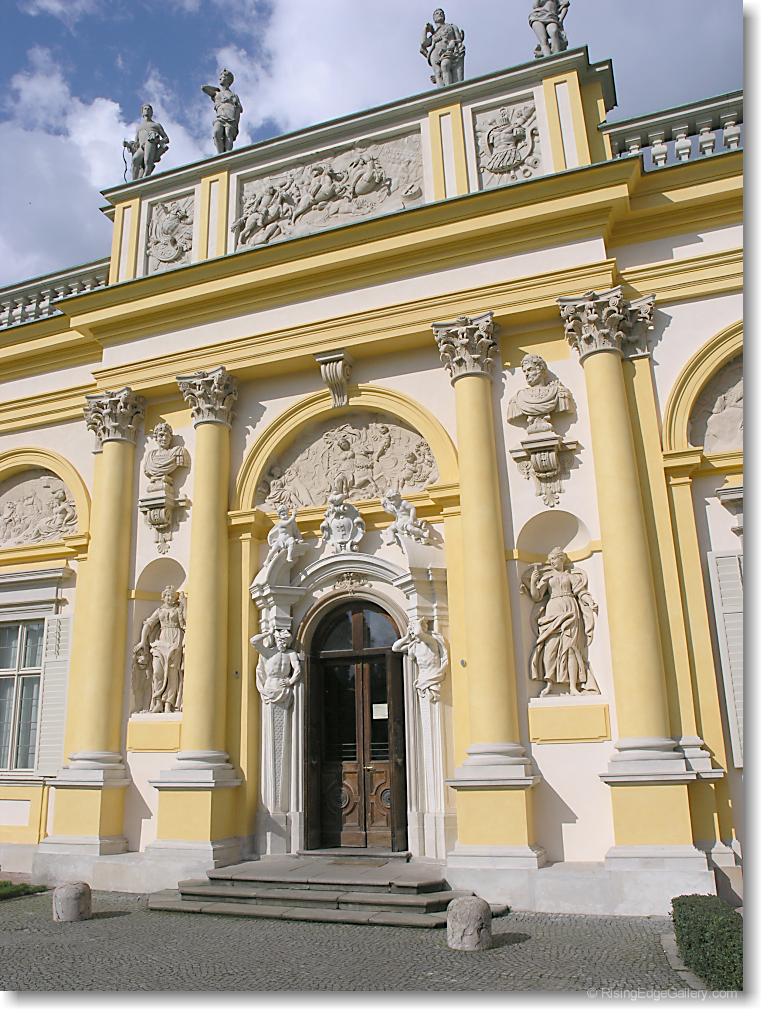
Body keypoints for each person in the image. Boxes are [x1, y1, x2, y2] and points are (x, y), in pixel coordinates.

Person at [521, 548, 599, 697]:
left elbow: (581, 592)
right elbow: (537, 597)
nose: (551, 562)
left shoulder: (571, 577)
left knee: (571, 649)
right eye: (550, 559)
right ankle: (549, 684)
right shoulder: (547, 577)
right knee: (550, 648)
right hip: (553, 611)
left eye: (554, 559)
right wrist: (533, 582)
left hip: (570, 610)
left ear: (561, 559)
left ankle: (573, 686)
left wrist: (590, 602)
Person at [134, 586, 186, 713]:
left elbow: (186, 623)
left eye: (172, 596)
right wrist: (142, 641)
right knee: (158, 671)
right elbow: (148, 624)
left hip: (175, 638)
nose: (169, 598)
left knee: (172, 672)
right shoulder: (159, 611)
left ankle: (168, 703)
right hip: (161, 641)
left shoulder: (178, 610)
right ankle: (157, 701)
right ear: (163, 597)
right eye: (167, 595)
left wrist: (184, 604)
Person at [392, 618, 448, 702]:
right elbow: (395, 648)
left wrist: (417, 622)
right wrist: (407, 637)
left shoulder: (431, 642)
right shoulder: (414, 646)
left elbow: (419, 633)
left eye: (413, 630)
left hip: (433, 677)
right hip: (422, 679)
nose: (413, 634)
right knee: (424, 706)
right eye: (411, 632)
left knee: (435, 705)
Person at [420, 9, 465, 88]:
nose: (439, 14)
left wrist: (453, 42)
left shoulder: (451, 27)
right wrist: (425, 29)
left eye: (441, 13)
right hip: (434, 53)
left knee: (445, 65)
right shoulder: (434, 35)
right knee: (438, 73)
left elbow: (459, 40)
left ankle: (448, 89)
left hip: (447, 51)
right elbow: (423, 43)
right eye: (437, 13)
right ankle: (441, 90)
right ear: (434, 18)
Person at [202, 69, 243, 154]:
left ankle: (227, 154)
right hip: (220, 115)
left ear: (228, 80)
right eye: (220, 77)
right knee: (216, 132)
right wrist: (217, 89)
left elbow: (239, 109)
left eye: (223, 77)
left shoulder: (234, 95)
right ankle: (220, 154)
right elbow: (204, 88)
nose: (220, 78)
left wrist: (236, 122)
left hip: (231, 116)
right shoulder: (217, 92)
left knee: (228, 134)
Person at [124, 104, 169, 180]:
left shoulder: (156, 125)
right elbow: (136, 143)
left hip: (150, 143)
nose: (147, 110)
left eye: (149, 109)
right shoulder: (139, 127)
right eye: (145, 109)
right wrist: (128, 145)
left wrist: (159, 140)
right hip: (141, 147)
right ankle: (134, 181)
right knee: (135, 160)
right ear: (142, 113)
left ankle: (144, 179)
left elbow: (166, 138)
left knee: (148, 162)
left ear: (151, 112)